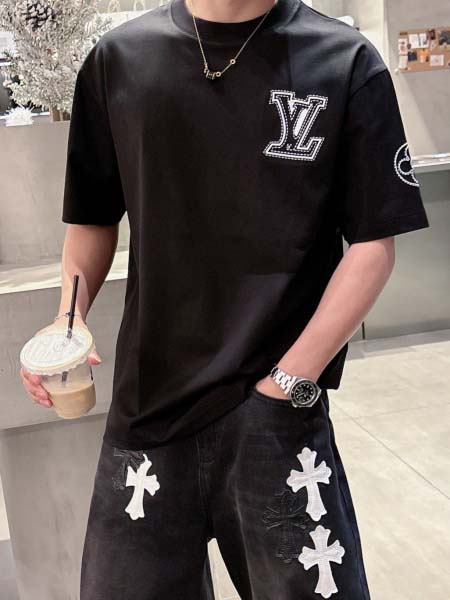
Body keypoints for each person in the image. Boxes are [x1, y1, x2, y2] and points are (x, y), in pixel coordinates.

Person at [20, 0, 430, 598]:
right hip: (148, 408)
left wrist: (288, 383)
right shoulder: (119, 60)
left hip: (276, 416)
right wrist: (67, 320)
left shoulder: (343, 61)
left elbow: (373, 244)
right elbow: (91, 218)